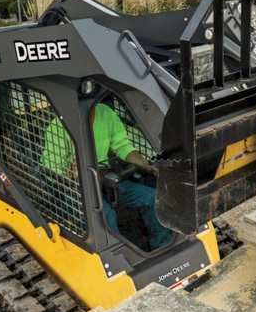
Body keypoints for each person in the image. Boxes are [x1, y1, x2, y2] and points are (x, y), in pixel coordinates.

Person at [40, 103, 171, 250]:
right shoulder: (59, 125)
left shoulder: (105, 112)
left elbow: (122, 146)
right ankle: (117, 255)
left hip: (104, 180)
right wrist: (71, 174)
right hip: (75, 189)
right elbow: (51, 169)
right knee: (105, 215)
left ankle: (161, 245)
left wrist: (145, 164)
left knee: (150, 197)